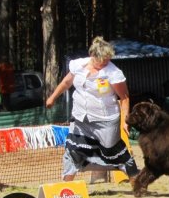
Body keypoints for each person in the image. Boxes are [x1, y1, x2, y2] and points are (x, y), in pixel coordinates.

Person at [45, 36, 139, 181]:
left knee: (112, 151)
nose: (107, 62)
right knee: (72, 150)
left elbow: (125, 98)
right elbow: (66, 83)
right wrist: (52, 98)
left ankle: (137, 182)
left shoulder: (113, 73)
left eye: (108, 59)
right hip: (80, 117)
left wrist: (126, 120)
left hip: (106, 119)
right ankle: (66, 188)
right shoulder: (78, 65)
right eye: (103, 59)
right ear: (93, 56)